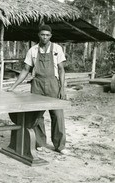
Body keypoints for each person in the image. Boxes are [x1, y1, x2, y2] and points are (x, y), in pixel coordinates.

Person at [7, 24, 69, 154]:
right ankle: (40, 143)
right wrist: (13, 87)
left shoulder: (57, 49)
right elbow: (25, 70)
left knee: (58, 115)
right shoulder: (33, 50)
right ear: (38, 35)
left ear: (50, 36)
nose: (45, 37)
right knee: (37, 116)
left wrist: (62, 89)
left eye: (47, 35)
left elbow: (62, 70)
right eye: (42, 35)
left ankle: (60, 146)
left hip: (53, 84)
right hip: (37, 84)